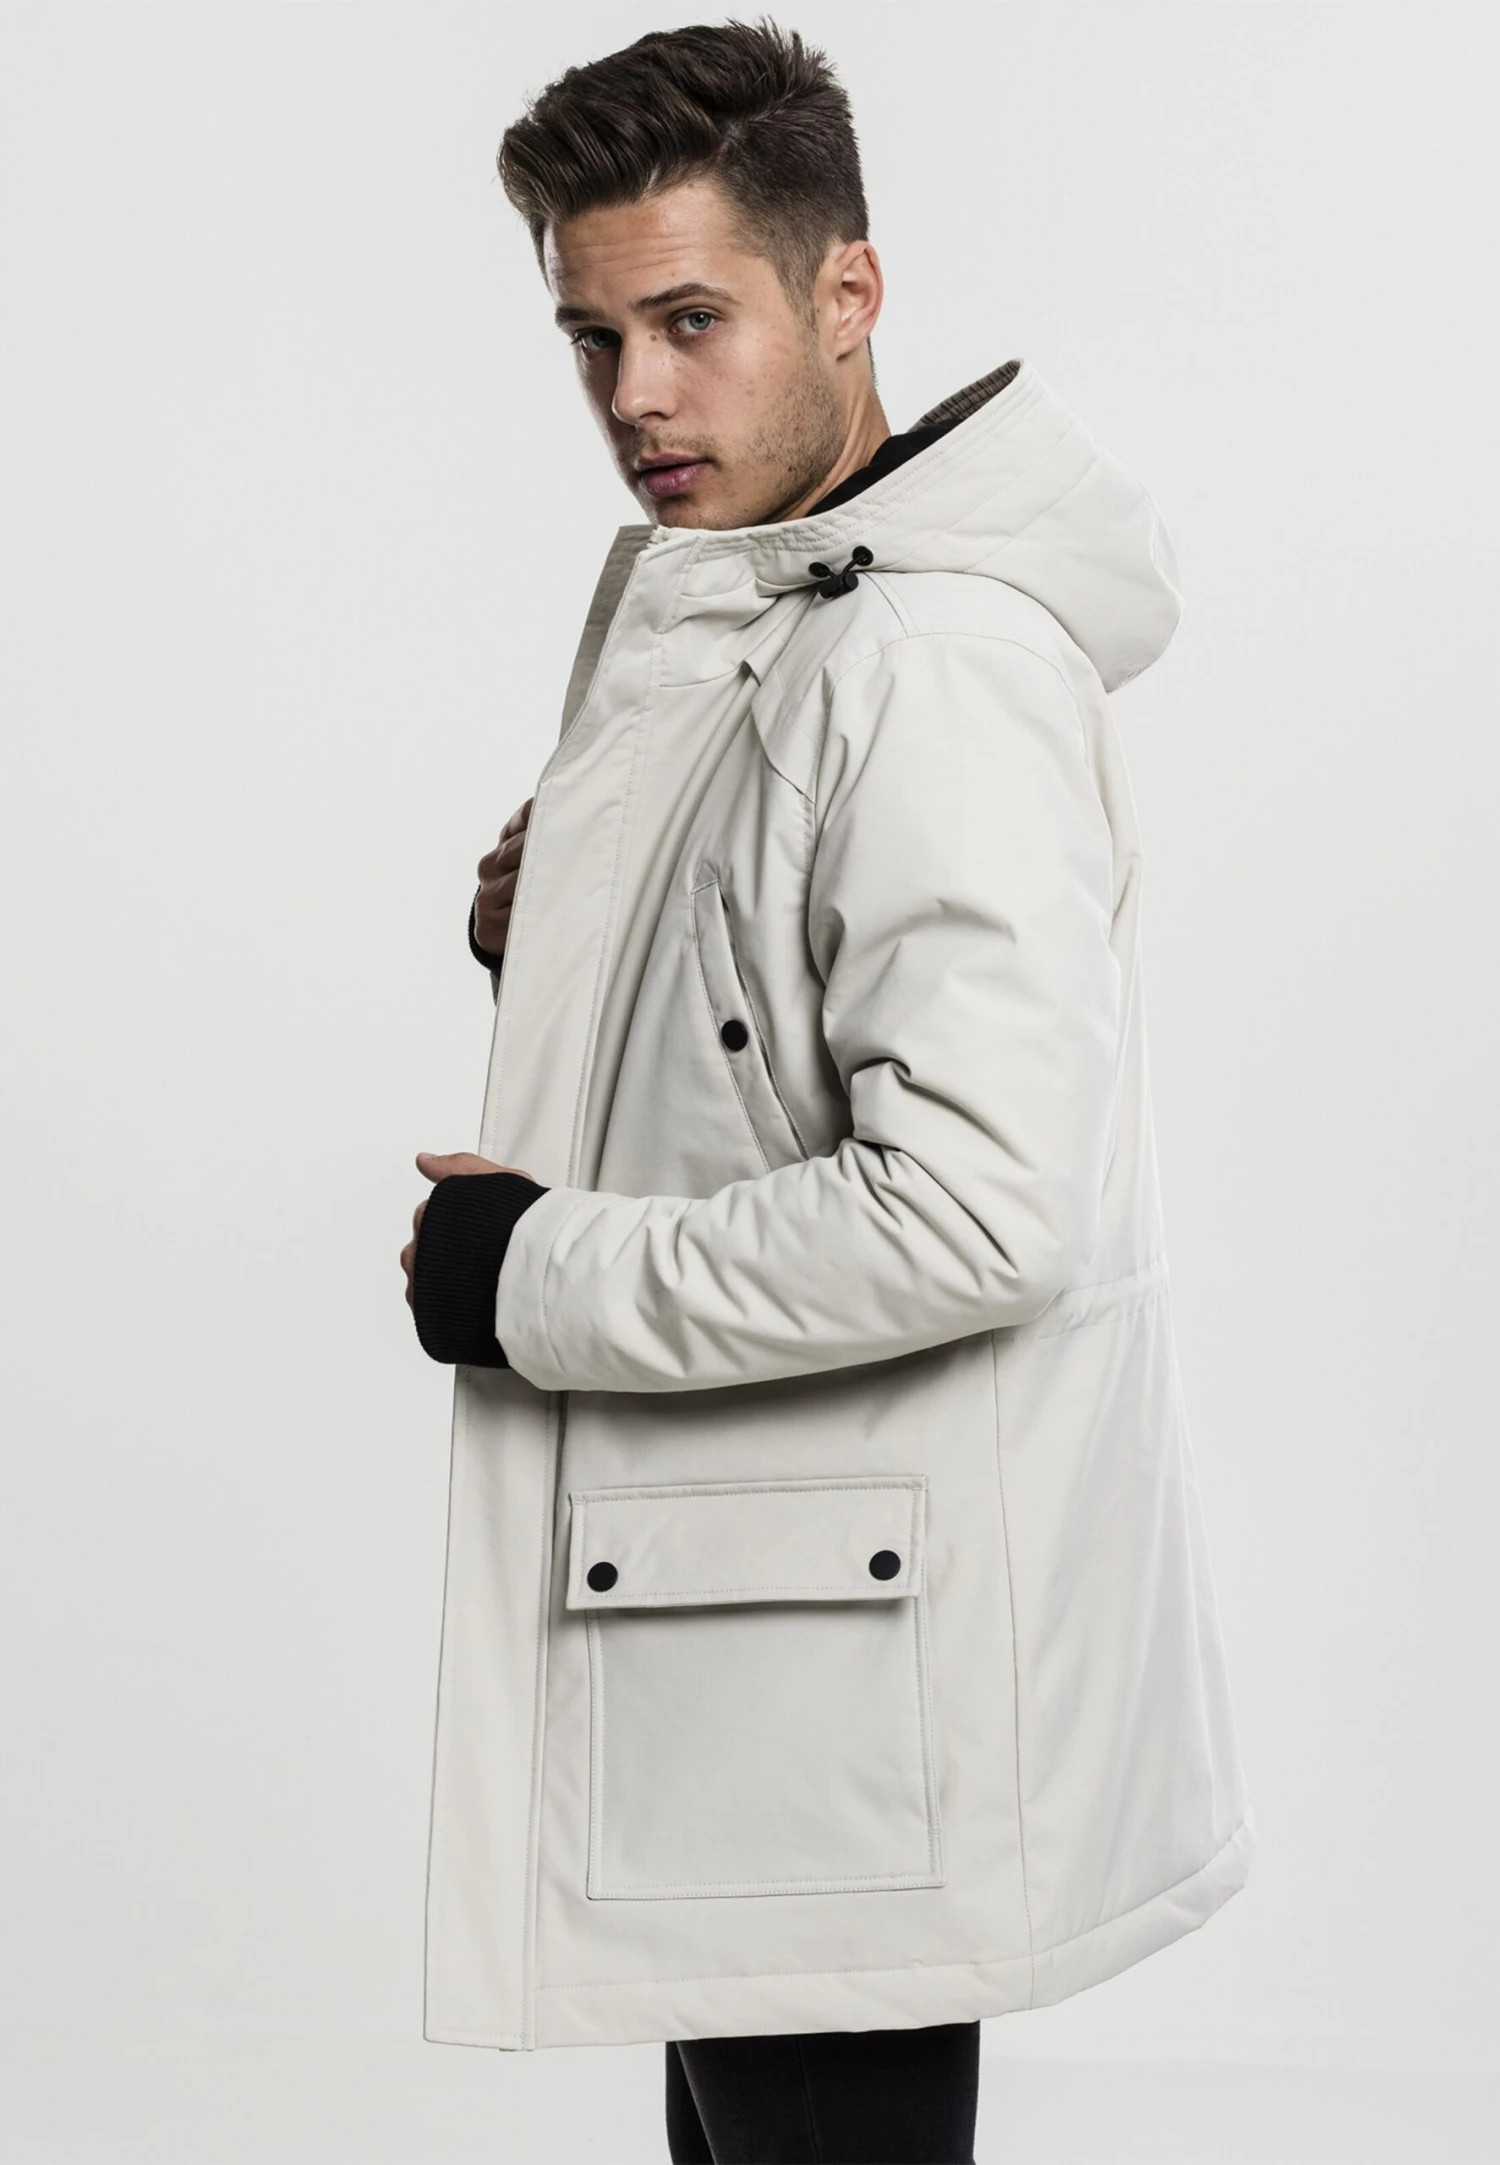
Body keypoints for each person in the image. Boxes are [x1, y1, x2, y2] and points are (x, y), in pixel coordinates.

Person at [397, 19, 1253, 2164]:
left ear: (847, 293)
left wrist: (529, 1273)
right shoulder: (780, 615)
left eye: (692, 321)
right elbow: (766, 1044)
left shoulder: (925, 663)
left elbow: (979, 1209)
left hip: (829, 1694)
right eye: (592, 336)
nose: (635, 397)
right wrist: (573, 929)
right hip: (761, 1655)